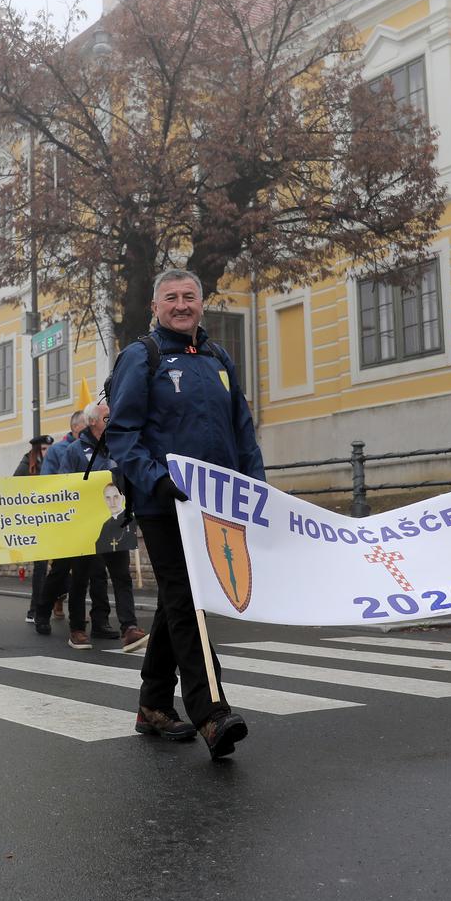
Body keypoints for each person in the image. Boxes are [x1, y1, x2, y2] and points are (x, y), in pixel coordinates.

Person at [106, 268, 261, 759]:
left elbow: (242, 428)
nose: (180, 304)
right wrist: (156, 479)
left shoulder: (218, 357)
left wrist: (256, 492)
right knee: (186, 599)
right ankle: (211, 713)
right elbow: (122, 436)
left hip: (218, 506)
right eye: (170, 298)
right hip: (164, 503)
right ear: (156, 307)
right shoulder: (142, 357)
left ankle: (153, 704)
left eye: (188, 297)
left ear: (201, 303)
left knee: (186, 600)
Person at [35, 401, 147, 651]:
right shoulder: (75, 451)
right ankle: (77, 629)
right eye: (108, 416)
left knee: (121, 576)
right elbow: (64, 485)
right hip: (84, 526)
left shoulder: (119, 446)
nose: (113, 419)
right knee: (81, 577)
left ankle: (129, 627)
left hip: (116, 523)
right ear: (93, 421)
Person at [15, 434, 55, 624]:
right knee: (40, 568)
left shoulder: (55, 461)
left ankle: (55, 602)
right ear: (37, 449)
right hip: (36, 522)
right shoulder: (26, 464)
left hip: (55, 520)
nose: (48, 452)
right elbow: (14, 486)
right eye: (44, 449)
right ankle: (35, 610)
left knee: (62, 568)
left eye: (50, 448)